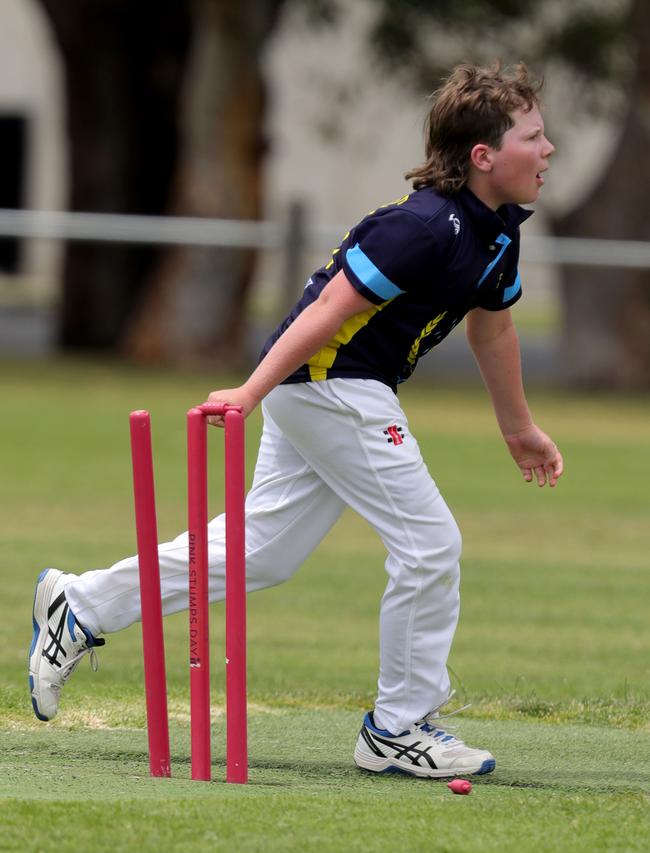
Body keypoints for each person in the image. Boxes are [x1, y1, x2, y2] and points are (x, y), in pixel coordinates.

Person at [29, 61, 562, 779]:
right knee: (431, 543)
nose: (549, 148)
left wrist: (517, 427)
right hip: (329, 381)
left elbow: (492, 330)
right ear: (483, 156)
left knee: (265, 552)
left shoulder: (498, 235)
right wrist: (250, 391)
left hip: (339, 387)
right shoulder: (422, 226)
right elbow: (327, 308)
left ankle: (80, 603)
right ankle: (398, 727)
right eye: (534, 135)